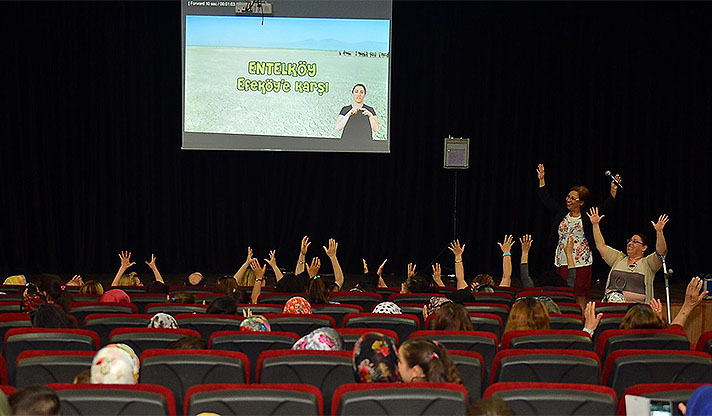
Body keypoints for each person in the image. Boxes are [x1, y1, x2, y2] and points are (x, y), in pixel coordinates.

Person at [536, 163, 621, 308]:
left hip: (581, 262)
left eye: (573, 198)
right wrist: (542, 179)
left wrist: (613, 191)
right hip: (562, 259)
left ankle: (580, 319)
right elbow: (546, 200)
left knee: (580, 295)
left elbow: (606, 207)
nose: (568, 200)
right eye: (568, 197)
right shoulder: (562, 212)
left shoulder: (587, 215)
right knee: (563, 293)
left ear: (581, 202)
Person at [588, 207, 668, 303]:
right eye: (630, 241)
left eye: (635, 241)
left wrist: (659, 232)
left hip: (637, 310)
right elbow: (600, 246)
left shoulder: (648, 264)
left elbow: (661, 252)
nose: (630, 243)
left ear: (644, 248)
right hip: (612, 307)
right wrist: (595, 225)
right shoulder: (618, 258)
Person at [397, 338, 461, 383]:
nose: (398, 365)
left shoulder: (399, 395)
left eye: (400, 361)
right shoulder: (456, 391)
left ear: (416, 371)